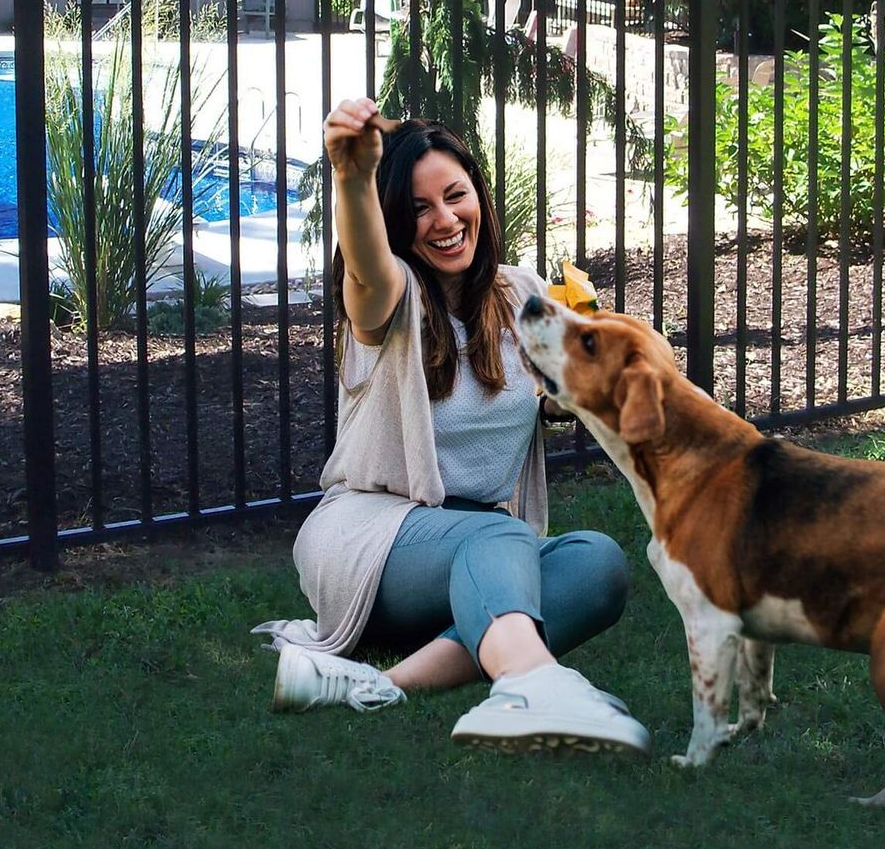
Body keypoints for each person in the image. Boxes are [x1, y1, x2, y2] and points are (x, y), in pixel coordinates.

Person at [252, 99, 650, 755]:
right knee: (501, 532)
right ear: (393, 222)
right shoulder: (392, 300)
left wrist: (581, 387)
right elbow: (366, 271)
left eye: (455, 196)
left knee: (597, 563)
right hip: (371, 542)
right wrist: (352, 177)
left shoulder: (521, 295)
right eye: (418, 208)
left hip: (474, 556)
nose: (444, 219)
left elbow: (562, 394)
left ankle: (375, 684)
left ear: (478, 197)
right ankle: (532, 685)